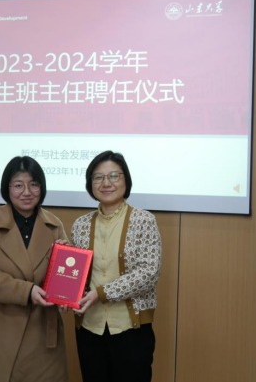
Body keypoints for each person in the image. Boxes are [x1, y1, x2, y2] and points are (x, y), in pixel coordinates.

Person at [0, 156, 68, 382]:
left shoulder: (54, 225)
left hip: (41, 325)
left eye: (34, 184)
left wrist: (66, 281)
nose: (26, 192)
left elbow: (65, 277)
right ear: (7, 188)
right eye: (18, 185)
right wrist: (26, 291)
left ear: (41, 187)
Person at [71, 150, 161, 382]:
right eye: (98, 177)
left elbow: (148, 273)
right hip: (90, 328)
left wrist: (101, 293)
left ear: (126, 180)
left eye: (114, 176)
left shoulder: (144, 220)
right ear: (90, 183)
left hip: (131, 330)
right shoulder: (80, 225)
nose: (106, 183)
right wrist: (66, 291)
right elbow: (77, 275)